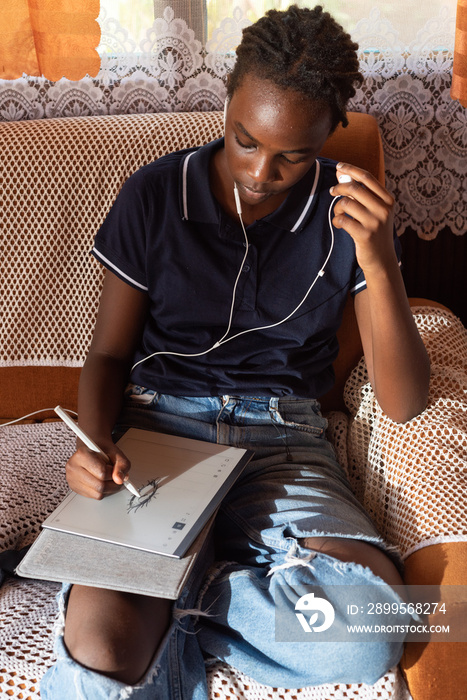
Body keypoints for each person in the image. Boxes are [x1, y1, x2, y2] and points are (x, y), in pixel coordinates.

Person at [40, 5, 430, 699]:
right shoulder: (155, 193)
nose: (259, 173)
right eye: (244, 140)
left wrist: (377, 254)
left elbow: (404, 404)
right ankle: (174, 585)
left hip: (284, 442)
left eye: (293, 155)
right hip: (159, 433)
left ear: (329, 134)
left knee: (374, 629)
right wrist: (97, 444)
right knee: (99, 649)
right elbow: (105, 356)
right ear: (226, 101)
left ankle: (188, 593)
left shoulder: (348, 210)